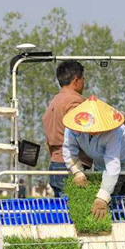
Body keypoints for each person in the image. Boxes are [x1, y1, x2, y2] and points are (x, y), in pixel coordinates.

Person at [63, 96, 125, 218]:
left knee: (110, 194)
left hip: (123, 160)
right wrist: (77, 172)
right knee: (95, 187)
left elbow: (113, 165)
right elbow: (69, 149)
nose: (93, 131)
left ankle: (111, 219)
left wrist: (103, 197)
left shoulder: (114, 131)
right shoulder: (73, 125)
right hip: (98, 159)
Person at [42, 60, 90, 197]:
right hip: (73, 166)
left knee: (62, 212)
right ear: (76, 80)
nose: (84, 84)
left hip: (55, 163)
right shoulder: (76, 102)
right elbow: (83, 133)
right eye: (83, 79)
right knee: (75, 213)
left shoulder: (54, 102)